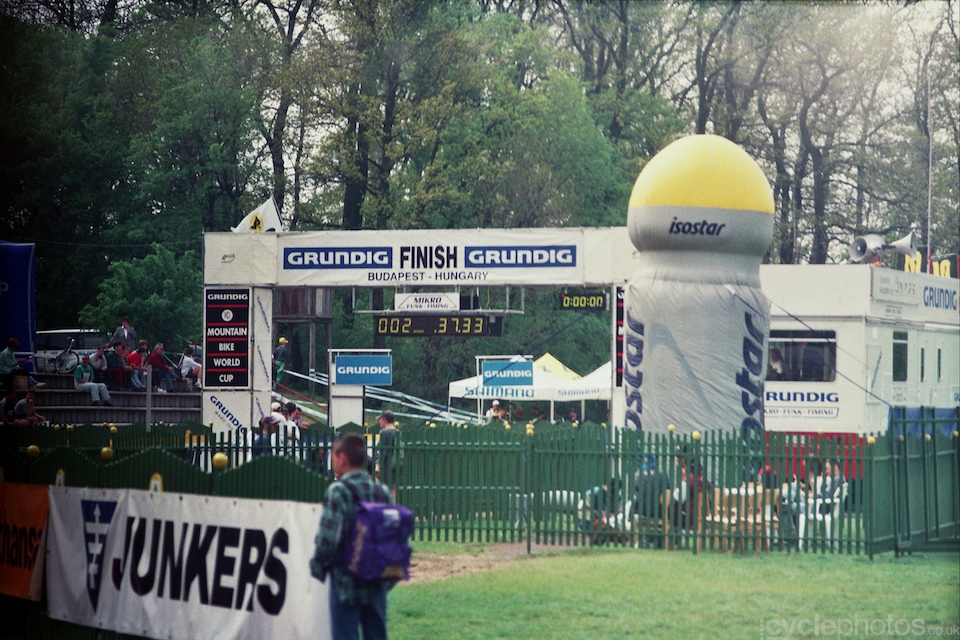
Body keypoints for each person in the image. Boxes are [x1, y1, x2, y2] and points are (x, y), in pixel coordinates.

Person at [310, 434, 395, 640]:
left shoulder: (338, 491)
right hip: (376, 580)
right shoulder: (382, 492)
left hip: (345, 581)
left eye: (333, 457)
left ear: (342, 458)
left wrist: (318, 566)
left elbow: (328, 539)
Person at [376, 411, 402, 501]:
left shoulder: (383, 432)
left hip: (386, 465)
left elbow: (382, 451)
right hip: (396, 464)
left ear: (384, 419)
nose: (379, 422)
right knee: (394, 488)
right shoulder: (398, 432)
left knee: (384, 488)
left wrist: (378, 465)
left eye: (380, 420)